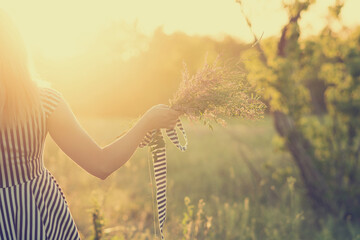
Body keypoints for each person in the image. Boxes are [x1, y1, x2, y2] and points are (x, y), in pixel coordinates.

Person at [0, 10, 180, 239]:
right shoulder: (46, 102)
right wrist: (147, 122)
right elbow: (101, 164)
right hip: (39, 213)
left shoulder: (47, 102)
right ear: (16, 49)